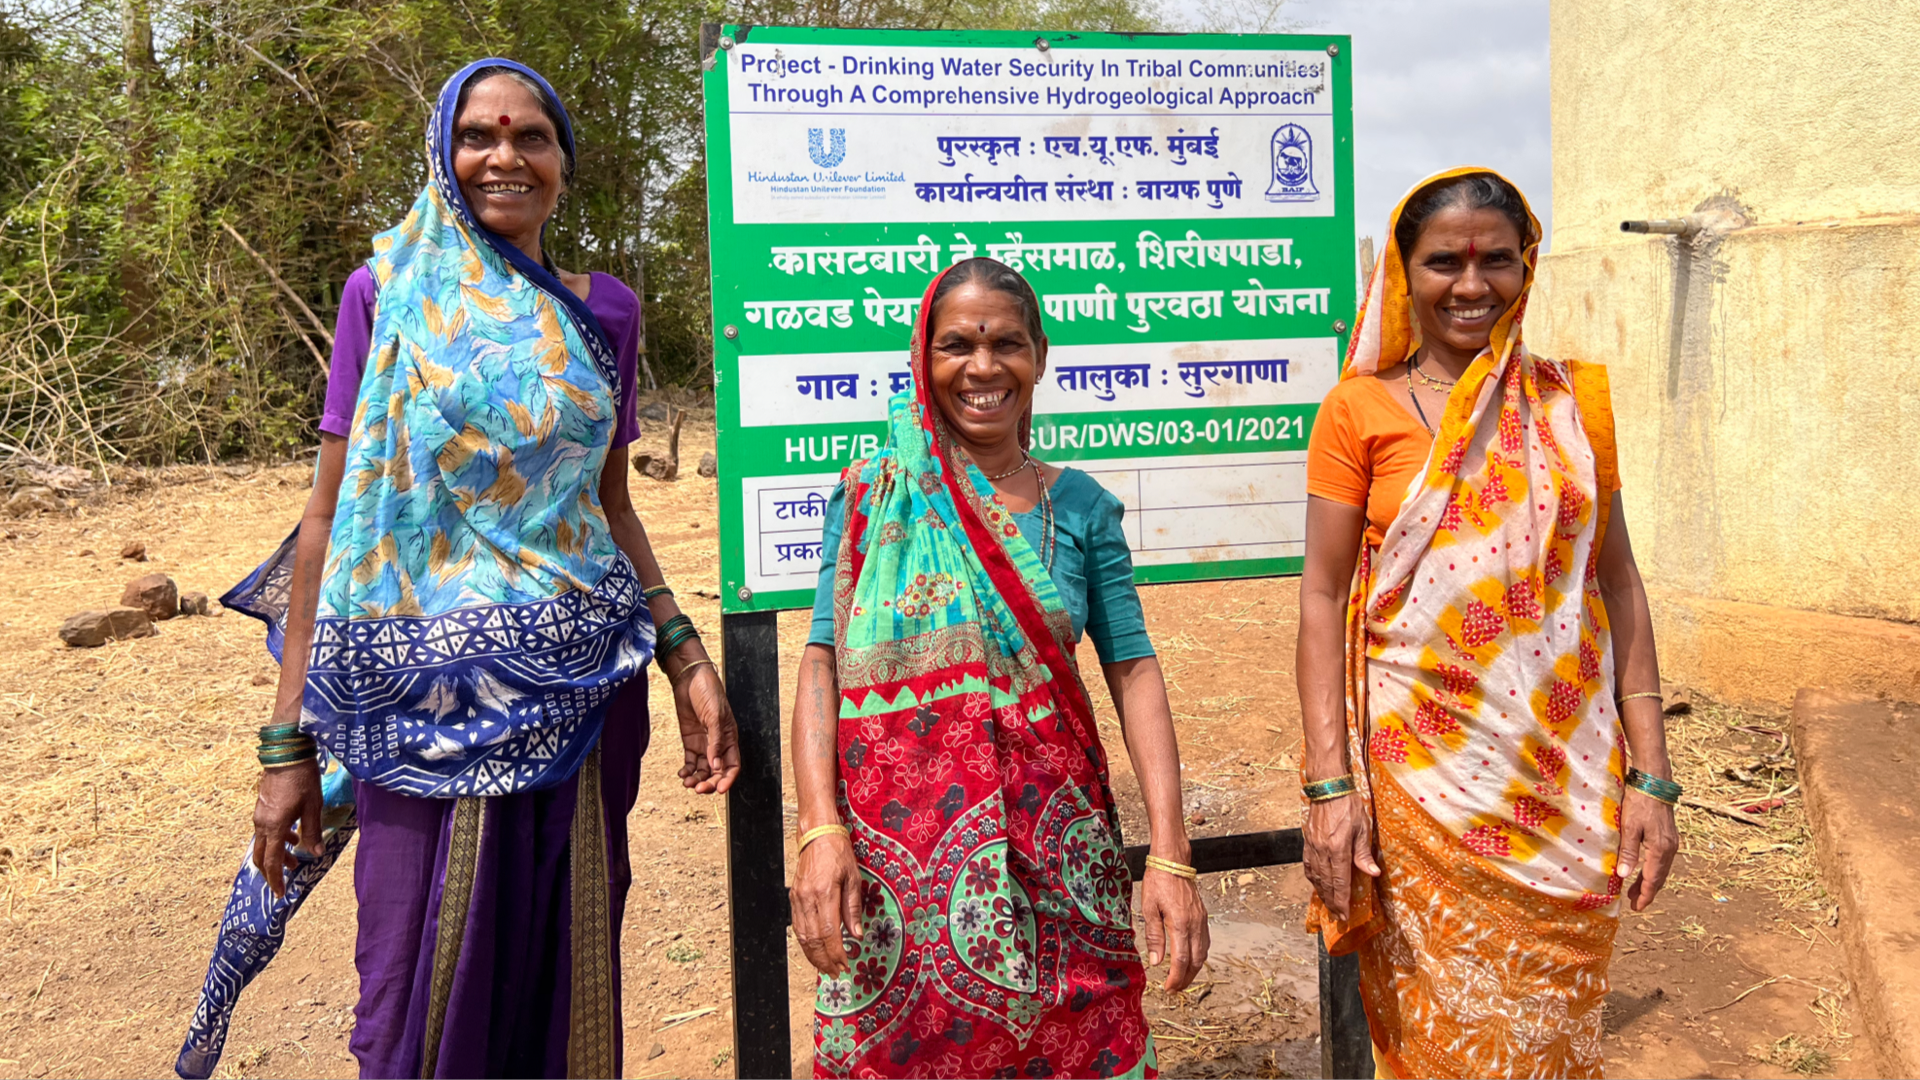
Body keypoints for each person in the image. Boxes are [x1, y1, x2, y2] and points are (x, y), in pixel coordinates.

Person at [177, 59, 739, 1080]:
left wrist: (684, 652)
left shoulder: (604, 310)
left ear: (564, 161)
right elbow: (328, 518)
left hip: (584, 701)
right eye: (480, 135)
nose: (505, 157)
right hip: (412, 714)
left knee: (562, 992)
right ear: (444, 153)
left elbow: (610, 505)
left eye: (533, 137)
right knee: (413, 992)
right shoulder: (384, 294)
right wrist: (283, 744)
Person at [1295, 167, 1680, 1078]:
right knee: (1435, 1041)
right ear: (1404, 272)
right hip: (1421, 790)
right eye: (1444, 262)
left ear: (1526, 265)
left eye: (1495, 260)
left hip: (1566, 791)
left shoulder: (1571, 406)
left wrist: (1652, 778)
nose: (1471, 285)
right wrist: (1327, 787)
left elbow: (1619, 585)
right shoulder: (1359, 411)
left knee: (1550, 1037)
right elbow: (1319, 596)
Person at [786, 258, 1209, 1079]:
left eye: (1006, 343)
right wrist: (819, 830)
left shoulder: (1080, 506)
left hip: (1064, 869)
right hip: (898, 878)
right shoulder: (873, 495)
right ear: (924, 359)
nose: (982, 367)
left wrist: (1170, 851)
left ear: (1039, 356)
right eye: (956, 345)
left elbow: (1135, 670)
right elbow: (821, 664)